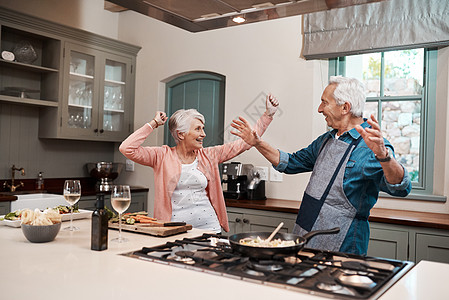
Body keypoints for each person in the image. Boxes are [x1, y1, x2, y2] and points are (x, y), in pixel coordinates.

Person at [231, 76, 412, 255]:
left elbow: (401, 187)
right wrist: (257, 143)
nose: (319, 109)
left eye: (324, 103)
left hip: (343, 240)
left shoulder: (372, 145)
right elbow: (290, 162)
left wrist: (384, 156)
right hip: (307, 231)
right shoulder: (327, 140)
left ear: (345, 108)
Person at [119, 95, 279, 233]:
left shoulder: (208, 155)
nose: (203, 134)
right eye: (198, 129)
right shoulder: (161, 156)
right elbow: (127, 148)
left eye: (203, 128)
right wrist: (153, 123)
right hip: (174, 230)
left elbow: (245, 143)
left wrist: (268, 115)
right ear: (181, 134)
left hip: (210, 228)